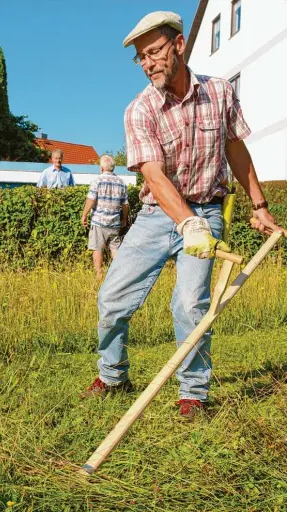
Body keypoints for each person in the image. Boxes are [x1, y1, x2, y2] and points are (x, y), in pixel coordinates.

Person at [80, 10, 284, 415]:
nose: (147, 63)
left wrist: (259, 205)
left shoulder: (221, 92)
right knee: (112, 298)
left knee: (190, 304)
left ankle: (193, 394)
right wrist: (184, 222)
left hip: (207, 209)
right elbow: (153, 175)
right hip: (157, 215)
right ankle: (113, 375)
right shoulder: (140, 109)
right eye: (141, 57)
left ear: (179, 45)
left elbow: (235, 149)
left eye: (154, 52)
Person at [81, 154, 129, 280]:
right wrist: (124, 219)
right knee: (115, 249)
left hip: (98, 221)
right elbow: (125, 205)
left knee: (97, 248)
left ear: (102, 168)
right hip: (114, 222)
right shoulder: (121, 183)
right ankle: (119, 275)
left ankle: (99, 275)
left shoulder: (97, 181)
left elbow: (91, 200)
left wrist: (84, 215)